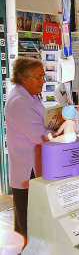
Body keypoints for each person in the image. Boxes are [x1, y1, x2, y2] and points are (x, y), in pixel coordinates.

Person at [5, 57, 49, 240]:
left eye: (44, 76)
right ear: (24, 78)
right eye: (39, 77)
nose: (43, 81)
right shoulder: (19, 101)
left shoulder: (30, 95)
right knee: (26, 221)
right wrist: (58, 134)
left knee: (34, 219)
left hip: (34, 165)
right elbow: (39, 135)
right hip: (26, 169)